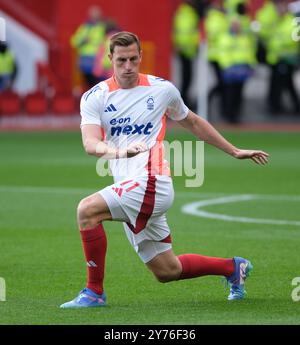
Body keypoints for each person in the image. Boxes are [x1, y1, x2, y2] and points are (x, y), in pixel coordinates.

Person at [60, 31, 269, 309]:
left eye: (134, 59)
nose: (128, 66)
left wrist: (233, 150)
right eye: (121, 60)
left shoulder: (161, 90)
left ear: (140, 56)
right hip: (131, 185)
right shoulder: (94, 97)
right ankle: (233, 268)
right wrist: (119, 151)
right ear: (110, 58)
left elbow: (193, 122)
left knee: (87, 211)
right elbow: (90, 143)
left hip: (152, 181)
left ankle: (94, 292)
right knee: (167, 271)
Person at [172, 0, 200, 111]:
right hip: (186, 50)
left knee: (187, 78)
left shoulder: (184, 13)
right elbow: (184, 33)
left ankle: (184, 100)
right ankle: (183, 101)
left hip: (186, 50)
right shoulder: (188, 14)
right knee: (186, 78)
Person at [70, 6, 107, 88]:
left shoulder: (103, 27)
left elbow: (106, 42)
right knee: (89, 83)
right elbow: (74, 42)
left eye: (96, 13)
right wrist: (82, 40)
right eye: (92, 13)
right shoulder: (84, 27)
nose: (94, 15)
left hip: (98, 60)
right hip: (85, 59)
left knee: (98, 83)